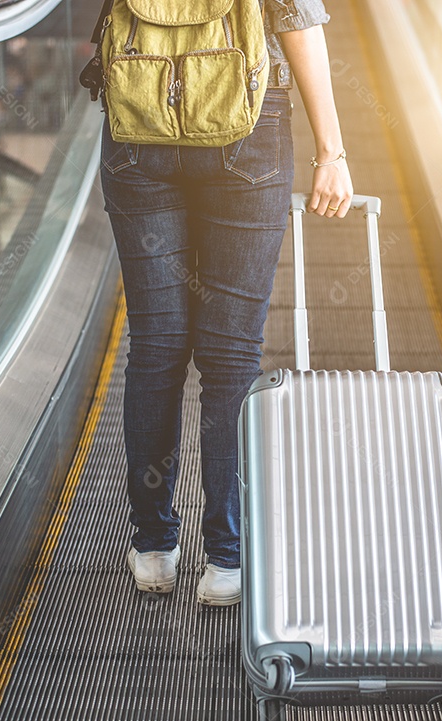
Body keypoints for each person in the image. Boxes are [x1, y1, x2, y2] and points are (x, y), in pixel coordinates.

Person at [100, 0, 352, 605]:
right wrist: (331, 153)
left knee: (157, 345)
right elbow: (297, 21)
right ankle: (226, 559)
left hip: (138, 123)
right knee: (231, 353)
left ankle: (155, 547)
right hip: (245, 126)